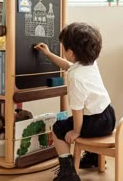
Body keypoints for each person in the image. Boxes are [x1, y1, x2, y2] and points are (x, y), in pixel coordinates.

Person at [34, 22, 116, 181]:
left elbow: (77, 110)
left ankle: (68, 172)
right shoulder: (90, 64)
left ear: (70, 52)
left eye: (63, 47)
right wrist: (49, 54)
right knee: (86, 118)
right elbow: (69, 66)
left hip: (96, 123)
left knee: (59, 128)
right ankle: (93, 158)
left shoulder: (76, 78)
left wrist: (76, 131)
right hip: (109, 116)